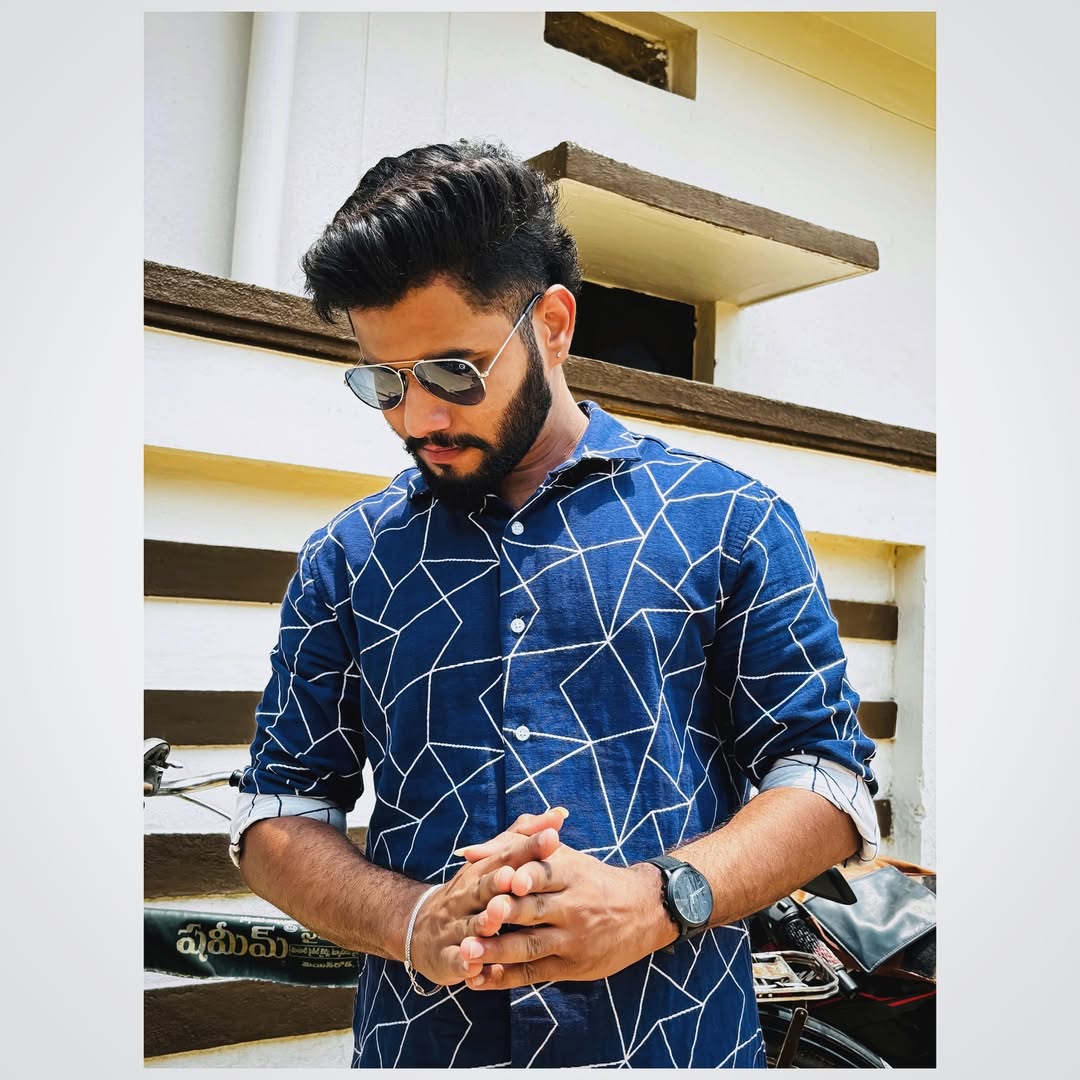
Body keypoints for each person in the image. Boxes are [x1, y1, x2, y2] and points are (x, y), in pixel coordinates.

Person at [229, 138, 880, 1069]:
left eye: (453, 372)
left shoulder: (728, 520)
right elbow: (277, 813)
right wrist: (412, 919)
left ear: (554, 325)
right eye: (384, 382)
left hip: (675, 1046)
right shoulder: (350, 556)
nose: (420, 418)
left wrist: (658, 900)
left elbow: (828, 780)